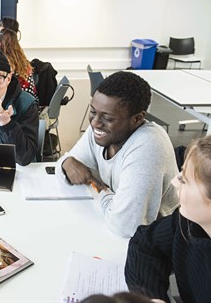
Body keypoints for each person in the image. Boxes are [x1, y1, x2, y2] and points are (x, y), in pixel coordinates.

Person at [55, 71, 179, 237]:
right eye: (93, 111)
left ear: (137, 118)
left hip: (156, 243)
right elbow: (67, 168)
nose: (95, 123)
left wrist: (98, 188)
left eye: (108, 118)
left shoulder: (149, 146)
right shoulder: (101, 130)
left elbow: (125, 226)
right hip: (111, 230)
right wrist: (66, 163)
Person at [125, 135, 211, 303]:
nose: (174, 181)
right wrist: (150, 297)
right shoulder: (187, 222)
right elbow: (143, 243)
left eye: (184, 180)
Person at [0, 27, 38, 102]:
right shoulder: (21, 59)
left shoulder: (4, 62)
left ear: (0, 43)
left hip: (17, 105)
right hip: (30, 102)